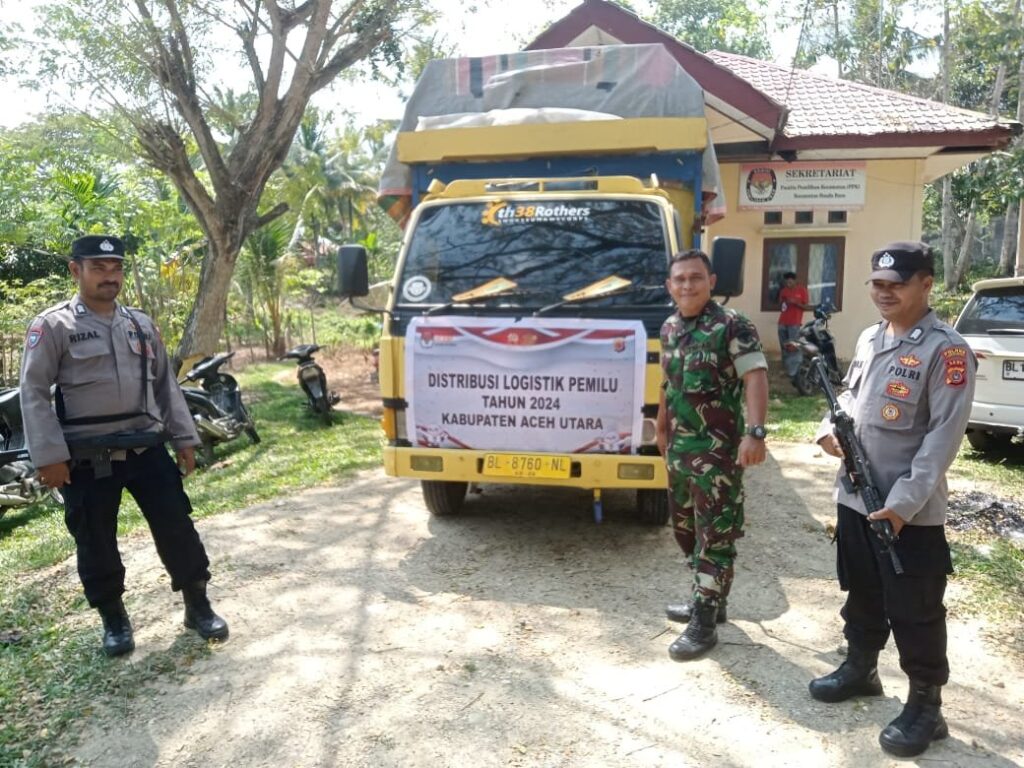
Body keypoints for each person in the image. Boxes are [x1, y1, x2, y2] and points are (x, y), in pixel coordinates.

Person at [20, 235, 228, 657]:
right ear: (75, 270)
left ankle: (198, 605)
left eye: (115, 268)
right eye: (98, 268)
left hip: (146, 450)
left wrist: (184, 437)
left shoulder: (140, 324)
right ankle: (114, 620)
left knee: (177, 526)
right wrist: (50, 456)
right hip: (86, 458)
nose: (109, 276)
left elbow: (165, 385)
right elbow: (34, 392)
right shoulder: (54, 326)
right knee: (95, 540)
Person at [810, 241, 974, 758]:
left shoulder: (946, 351)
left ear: (926, 284)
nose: (884, 293)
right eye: (877, 284)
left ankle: (927, 705)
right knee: (861, 588)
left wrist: (902, 506)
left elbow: (942, 439)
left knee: (915, 608)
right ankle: (861, 668)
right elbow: (850, 396)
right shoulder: (870, 337)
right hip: (856, 496)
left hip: (908, 511)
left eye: (896, 285)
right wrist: (826, 431)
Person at [656, 249, 769, 661]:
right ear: (670, 286)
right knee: (685, 531)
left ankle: (703, 622)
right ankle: (710, 598)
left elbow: (755, 376)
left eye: (695, 277)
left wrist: (755, 433)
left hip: (718, 454)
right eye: (680, 279)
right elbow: (668, 383)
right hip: (680, 452)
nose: (687, 285)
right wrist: (660, 426)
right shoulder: (669, 327)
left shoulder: (732, 325)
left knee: (715, 535)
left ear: (711, 282)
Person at [777, 271, 812, 386]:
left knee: (794, 347)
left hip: (794, 323)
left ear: (795, 281)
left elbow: (806, 306)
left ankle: (795, 371)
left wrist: (796, 302)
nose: (788, 283)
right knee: (784, 346)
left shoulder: (801, 290)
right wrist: (783, 302)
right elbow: (780, 305)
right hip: (782, 322)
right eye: (786, 281)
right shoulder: (783, 291)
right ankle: (786, 369)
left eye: (790, 281)